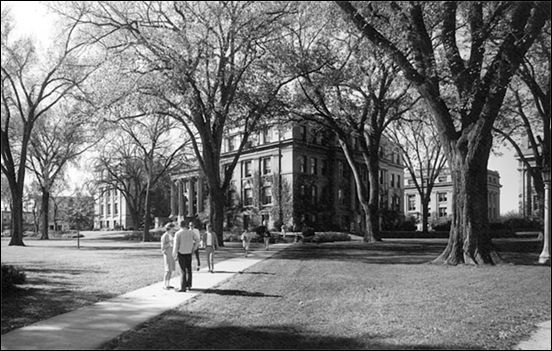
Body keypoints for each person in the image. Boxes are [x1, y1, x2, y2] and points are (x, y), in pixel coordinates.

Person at [173, 220, 200, 292]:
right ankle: (189, 285)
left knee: (183, 270)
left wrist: (174, 254)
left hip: (181, 252)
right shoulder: (191, 232)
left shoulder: (178, 233)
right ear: (186, 225)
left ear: (180, 225)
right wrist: (194, 249)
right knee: (189, 269)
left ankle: (183, 287)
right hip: (189, 252)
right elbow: (197, 240)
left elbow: (176, 245)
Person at [160, 222, 176, 290]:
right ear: (169, 228)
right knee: (167, 270)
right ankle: (165, 285)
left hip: (171, 254)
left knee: (170, 270)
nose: (174, 230)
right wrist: (169, 243)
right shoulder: (164, 236)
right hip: (167, 254)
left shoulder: (171, 235)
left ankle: (168, 284)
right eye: (173, 228)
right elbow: (163, 247)